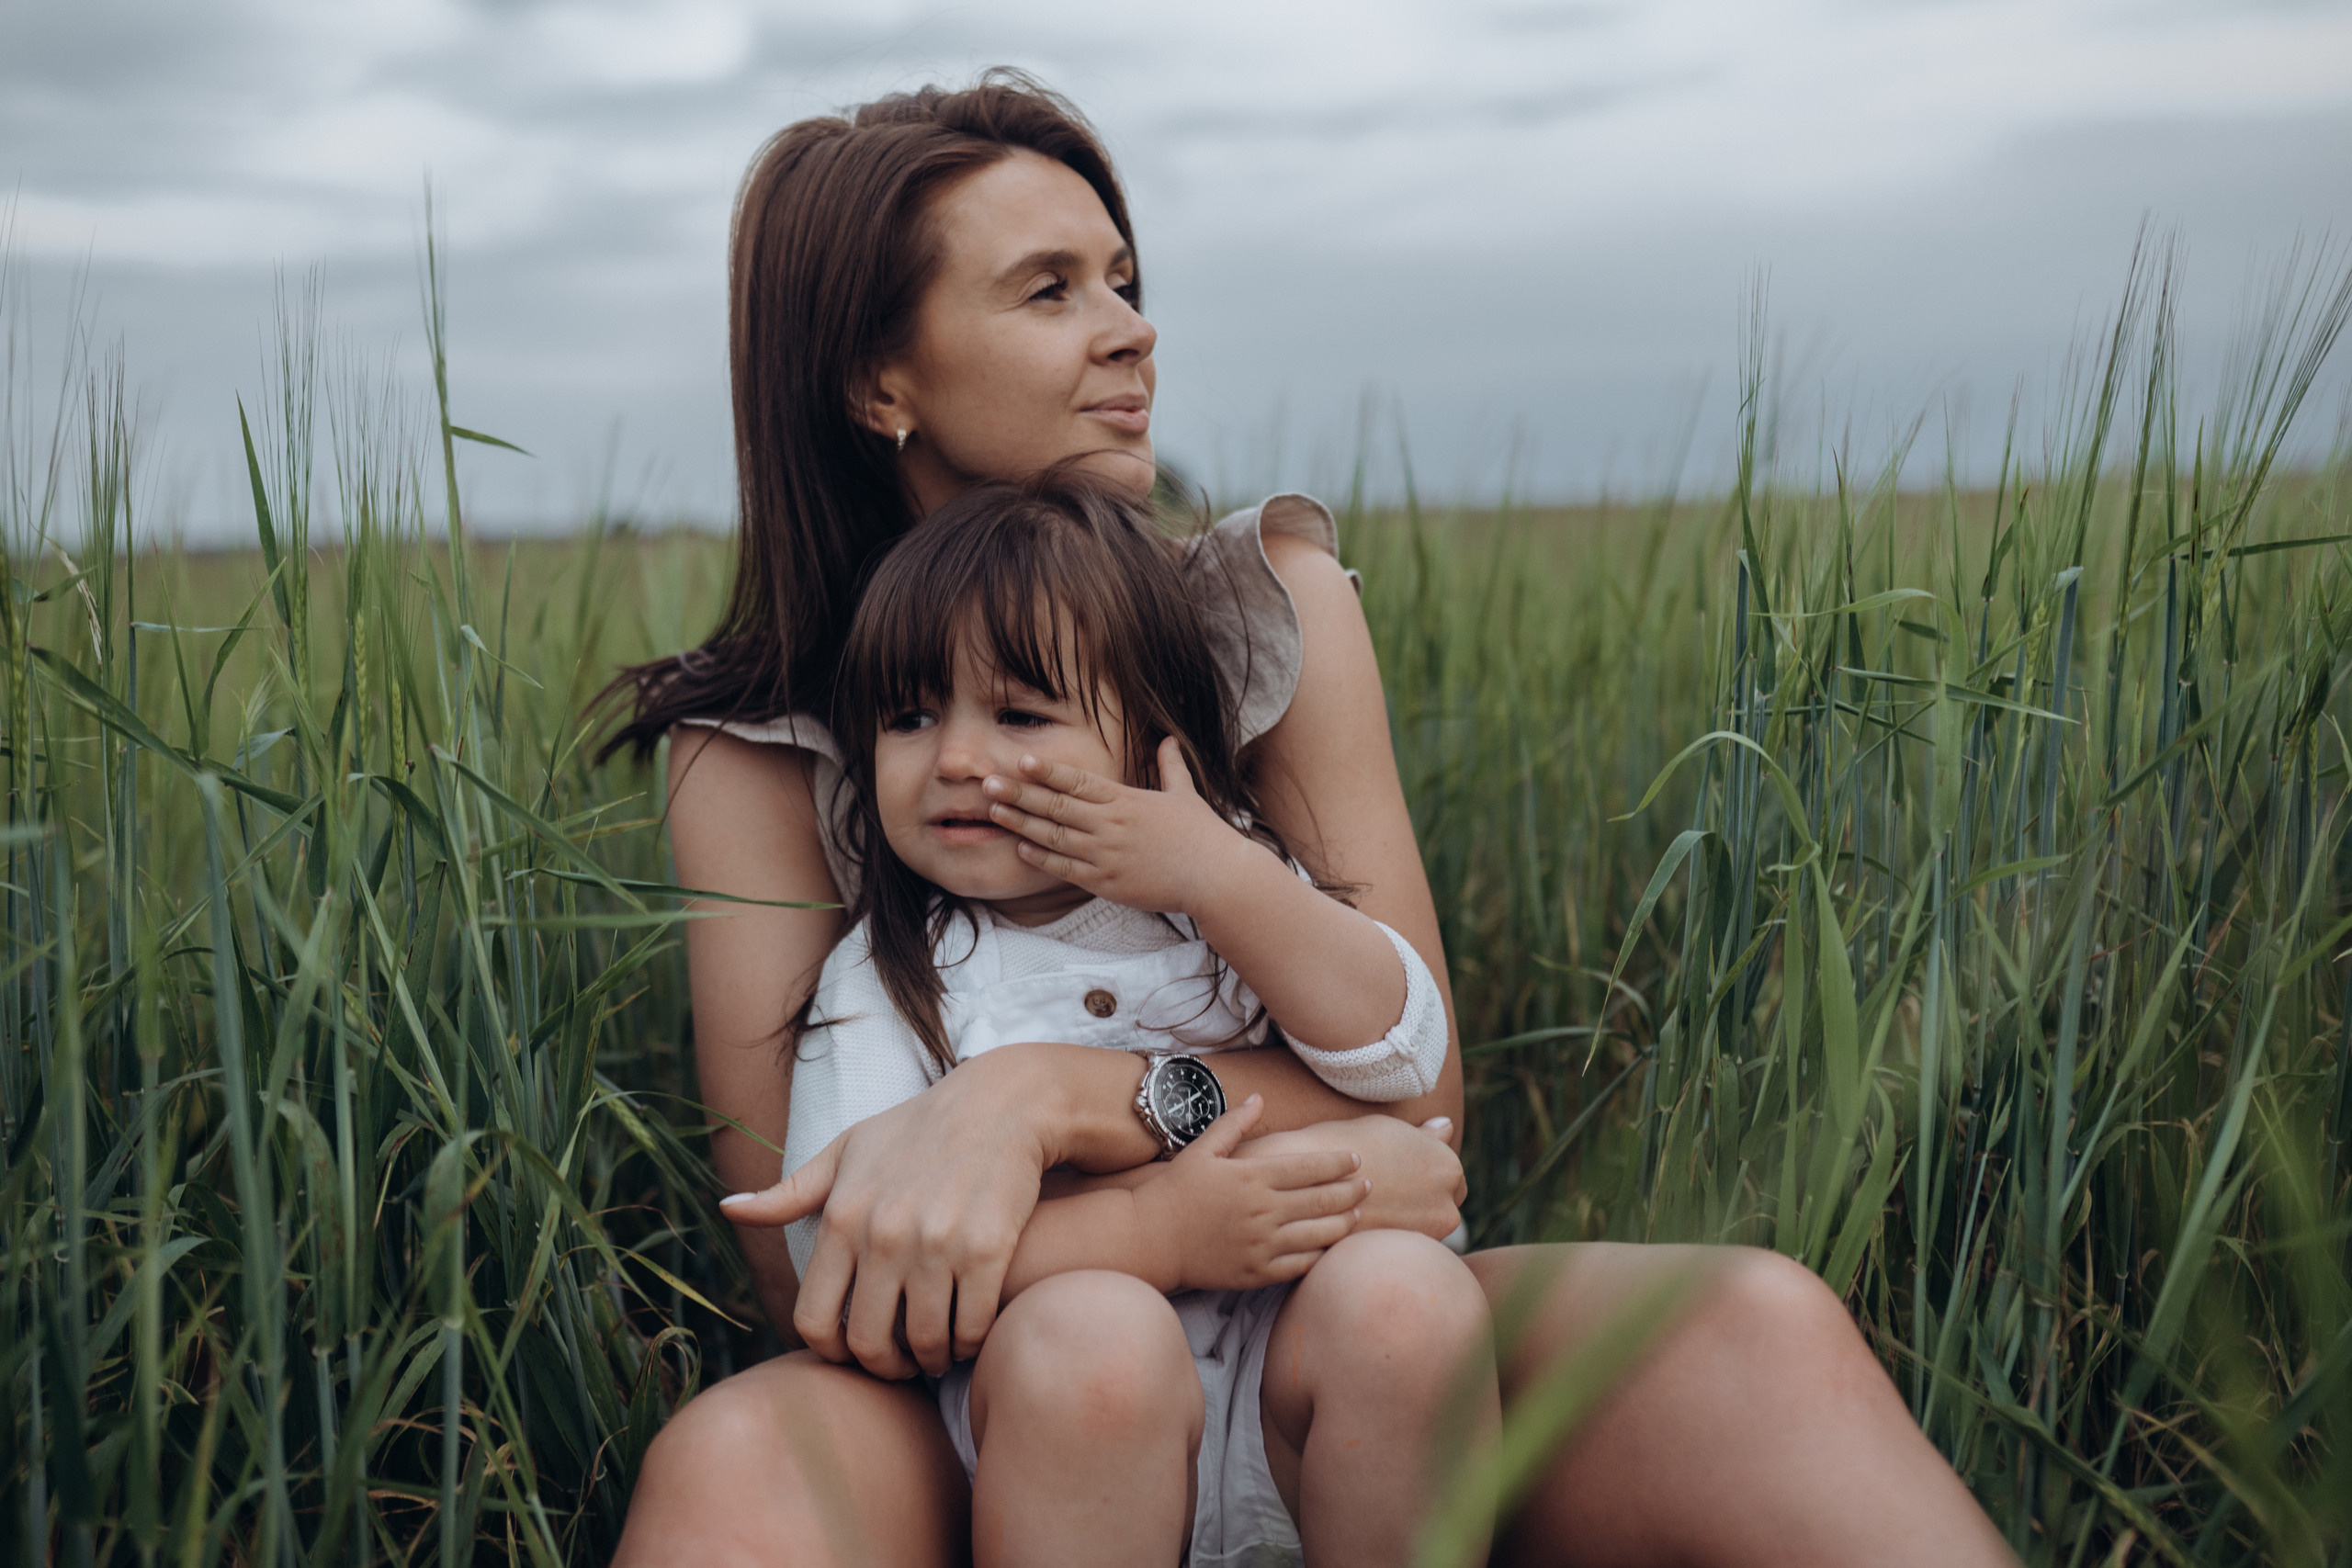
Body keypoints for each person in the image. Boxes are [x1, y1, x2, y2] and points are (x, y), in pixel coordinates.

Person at [607, 71, 2013, 1568]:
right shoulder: (749, 745)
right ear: (878, 379)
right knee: (734, 1467)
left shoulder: (1264, 607)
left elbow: (1414, 1101)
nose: (1131, 330)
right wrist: (1171, 1204)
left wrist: (1042, 1099)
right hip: (984, 1388)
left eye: (1125, 281)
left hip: (1315, 1333)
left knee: (1751, 1324)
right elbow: (814, 1265)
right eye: (1049, 289)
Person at [733, 471, 1493, 1566]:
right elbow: (847, 1259)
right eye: (909, 717)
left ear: (1150, 739)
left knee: (1408, 1301)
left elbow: (1400, 1053)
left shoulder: (1227, 902)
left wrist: (1222, 877)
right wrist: (1154, 1233)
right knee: (1095, 1335)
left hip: (1285, 1412)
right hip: (1064, 1445)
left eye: (1020, 714)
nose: (955, 759)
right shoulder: (887, 980)